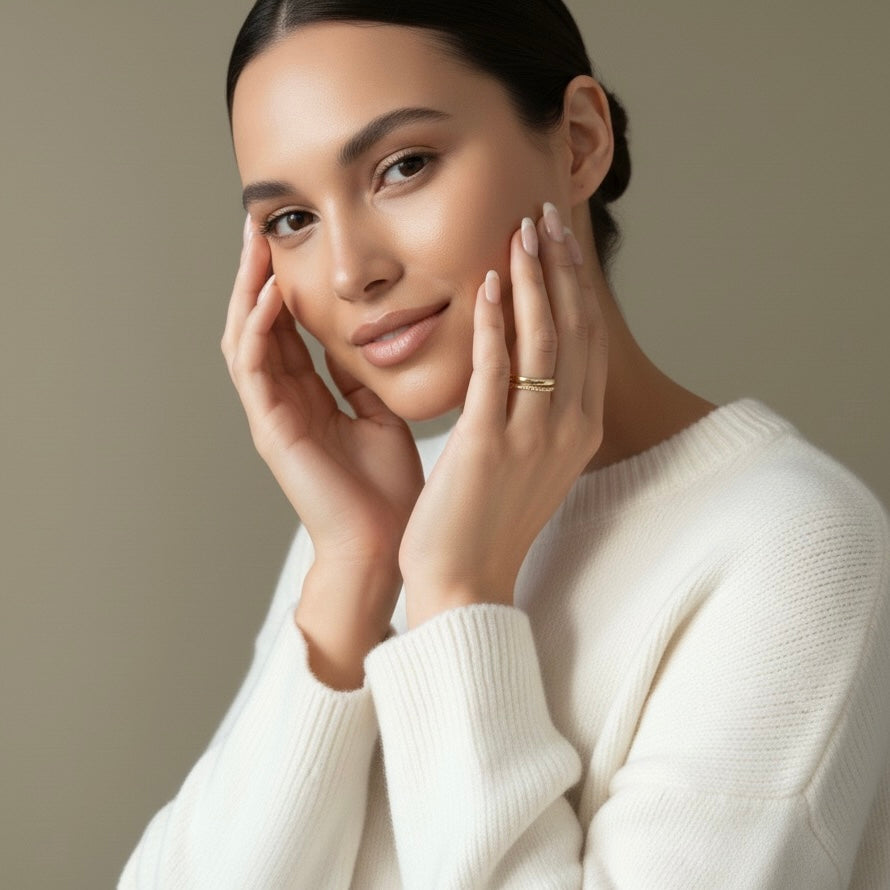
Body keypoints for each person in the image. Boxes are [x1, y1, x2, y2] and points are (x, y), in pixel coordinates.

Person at [120, 1, 890, 887]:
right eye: (292, 219)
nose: (348, 271)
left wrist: (456, 596)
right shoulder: (368, 527)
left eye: (401, 167)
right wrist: (356, 574)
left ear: (578, 143)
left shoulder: (793, 545)